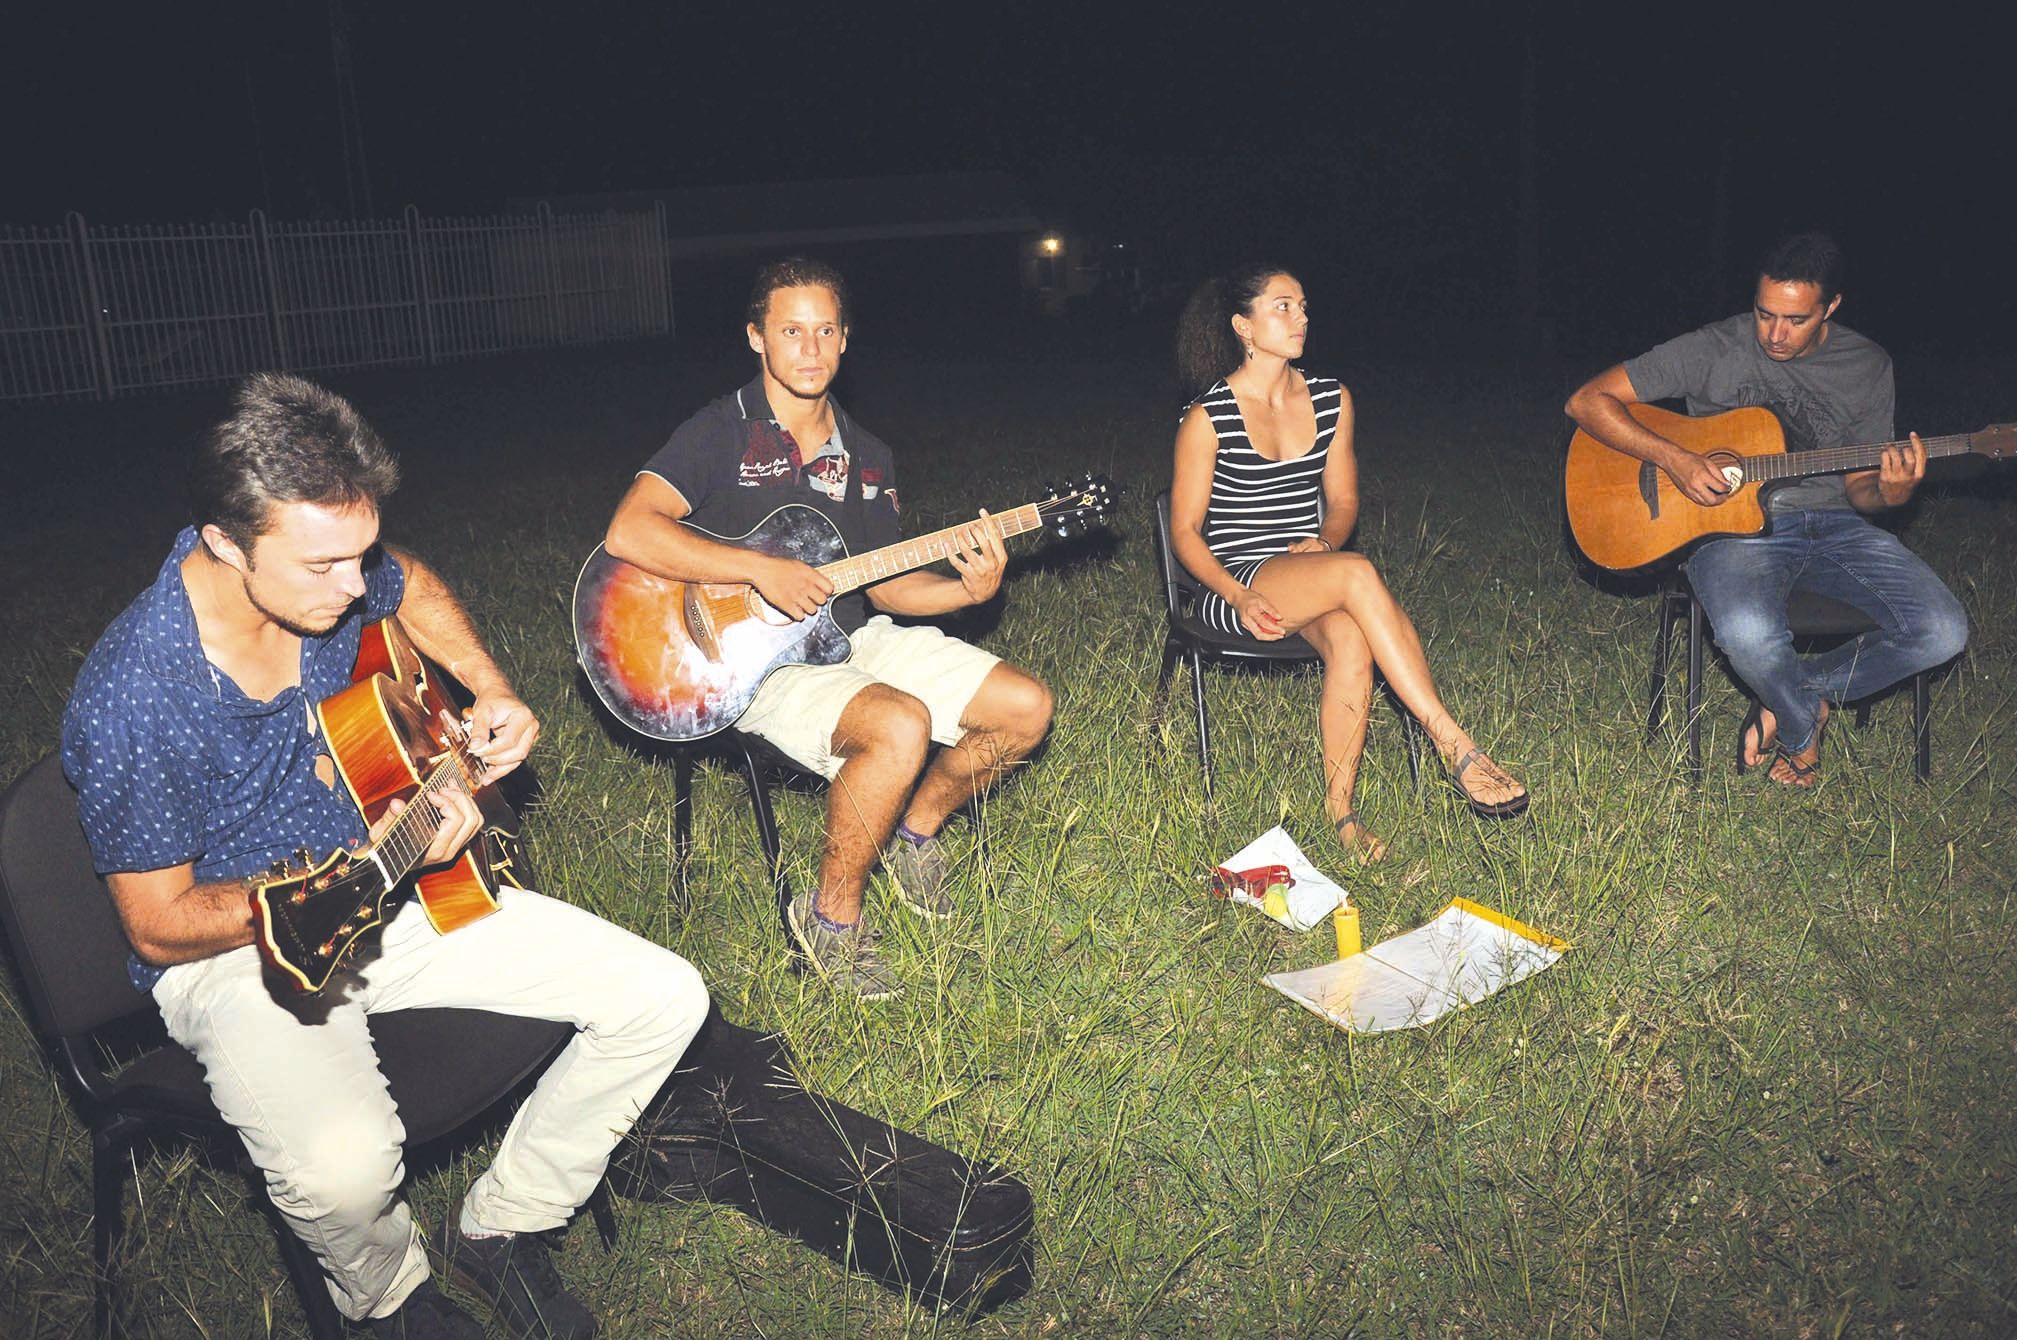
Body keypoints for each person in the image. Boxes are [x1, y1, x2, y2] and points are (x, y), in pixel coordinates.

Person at [60, 373, 709, 1340]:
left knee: (665, 998)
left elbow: (411, 582)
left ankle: (500, 1226)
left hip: (392, 882)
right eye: (325, 566)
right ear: (226, 544)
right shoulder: (134, 700)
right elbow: (157, 928)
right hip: (239, 948)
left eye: (358, 553)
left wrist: (489, 694)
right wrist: (331, 885)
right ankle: (390, 1300)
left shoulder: (337, 578)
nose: (357, 589)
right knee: (343, 1170)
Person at [602, 257, 1053, 999]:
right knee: (899, 725)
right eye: (790, 331)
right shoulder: (719, 432)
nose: (808, 350)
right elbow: (628, 531)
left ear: (844, 341)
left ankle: (915, 835)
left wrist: (968, 590)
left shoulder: (866, 456)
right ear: (757, 338)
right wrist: (753, 569)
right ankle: (831, 920)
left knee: (1024, 709)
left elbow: (889, 583)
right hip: (746, 657)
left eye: (824, 332)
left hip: (849, 633)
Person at [1564, 232, 1967, 785]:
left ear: (1831, 308)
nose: (1775, 335)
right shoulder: (1713, 348)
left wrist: (1893, 492)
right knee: (1749, 632)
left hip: (1834, 526)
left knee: (1943, 630)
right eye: (1764, 314)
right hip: (1731, 532)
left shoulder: (1866, 365)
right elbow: (1586, 401)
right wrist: (1677, 459)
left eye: (1796, 320)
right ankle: (1804, 726)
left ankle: (1794, 694)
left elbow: (1861, 491)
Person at [1169, 265, 1529, 858]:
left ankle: (1342, 819)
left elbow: (1343, 502)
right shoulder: (1207, 418)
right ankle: (1455, 744)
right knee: (1358, 574)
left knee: (1352, 639)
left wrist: (1327, 543)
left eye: (1304, 305)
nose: (1302, 317)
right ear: (1244, 326)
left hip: (1310, 572)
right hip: (1236, 582)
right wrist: (1237, 594)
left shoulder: (1333, 399)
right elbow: (1184, 534)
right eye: (1283, 307)